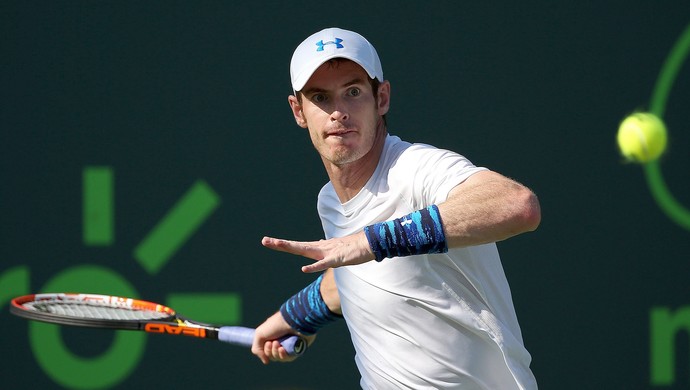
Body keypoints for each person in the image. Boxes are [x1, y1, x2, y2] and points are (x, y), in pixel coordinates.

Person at [251, 27, 541, 390]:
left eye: (353, 92)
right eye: (321, 97)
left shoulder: (417, 169)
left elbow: (517, 205)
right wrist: (300, 315)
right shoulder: (330, 200)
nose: (338, 112)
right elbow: (367, 275)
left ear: (382, 98)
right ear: (299, 111)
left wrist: (370, 241)